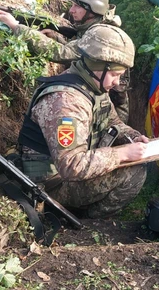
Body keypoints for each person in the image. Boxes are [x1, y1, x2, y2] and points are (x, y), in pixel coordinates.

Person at [16, 24, 148, 218]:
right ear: (98, 67)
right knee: (135, 172)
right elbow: (71, 166)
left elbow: (114, 122)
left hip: (66, 172)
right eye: (114, 75)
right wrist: (121, 154)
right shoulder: (66, 103)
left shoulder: (93, 88)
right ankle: (87, 221)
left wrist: (133, 137)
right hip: (51, 184)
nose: (117, 83)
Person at [0, 0, 131, 123]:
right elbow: (79, 53)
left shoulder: (101, 35)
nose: (71, 10)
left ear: (92, 10)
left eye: (77, 6)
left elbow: (62, 53)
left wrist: (16, 26)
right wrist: (56, 36)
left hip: (109, 110)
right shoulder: (95, 27)